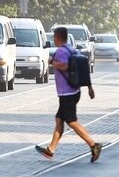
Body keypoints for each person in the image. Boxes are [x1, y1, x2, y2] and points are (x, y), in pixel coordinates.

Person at [35, 27, 102, 163]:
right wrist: (90, 87)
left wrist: (52, 62)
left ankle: (94, 145)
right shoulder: (72, 49)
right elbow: (83, 68)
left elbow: (64, 66)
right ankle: (51, 150)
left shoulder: (60, 52)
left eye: (54, 37)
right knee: (59, 119)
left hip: (67, 93)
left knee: (71, 121)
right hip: (74, 91)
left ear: (58, 38)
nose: (53, 39)